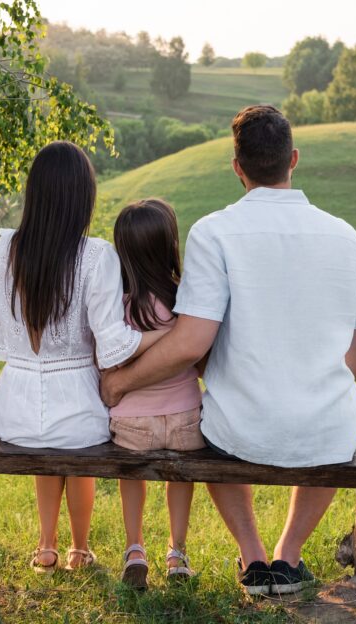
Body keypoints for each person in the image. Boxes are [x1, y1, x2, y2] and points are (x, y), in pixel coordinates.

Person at [101, 105, 356, 596]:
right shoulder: (348, 237)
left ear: (237, 166)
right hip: (326, 423)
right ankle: (287, 559)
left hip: (240, 425)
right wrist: (317, 391)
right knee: (332, 431)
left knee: (214, 425)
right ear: (293, 159)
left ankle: (253, 558)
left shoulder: (214, 232)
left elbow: (190, 343)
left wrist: (121, 381)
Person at [0, 141, 167, 574]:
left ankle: (46, 546)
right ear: (82, 197)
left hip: (13, 412)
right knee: (76, 446)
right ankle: (79, 549)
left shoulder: (3, 252)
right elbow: (116, 344)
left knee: (49, 451)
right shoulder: (96, 255)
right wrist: (164, 333)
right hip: (79, 407)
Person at [108, 198, 204, 590]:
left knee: (132, 474)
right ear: (170, 245)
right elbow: (198, 359)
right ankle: (177, 554)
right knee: (180, 477)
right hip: (185, 420)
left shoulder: (119, 304)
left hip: (131, 423)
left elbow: (109, 363)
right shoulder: (186, 300)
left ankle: (135, 548)